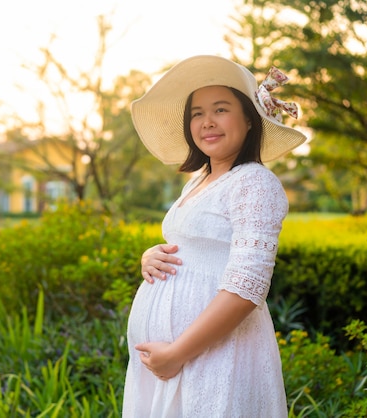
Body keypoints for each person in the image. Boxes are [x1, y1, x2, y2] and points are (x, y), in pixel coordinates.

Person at [122, 55, 307, 417]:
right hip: (177, 361)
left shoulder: (255, 183)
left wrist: (177, 353)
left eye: (221, 110)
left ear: (250, 120)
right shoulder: (199, 180)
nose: (207, 122)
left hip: (215, 356)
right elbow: (195, 247)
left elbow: (247, 287)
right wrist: (151, 256)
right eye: (197, 113)